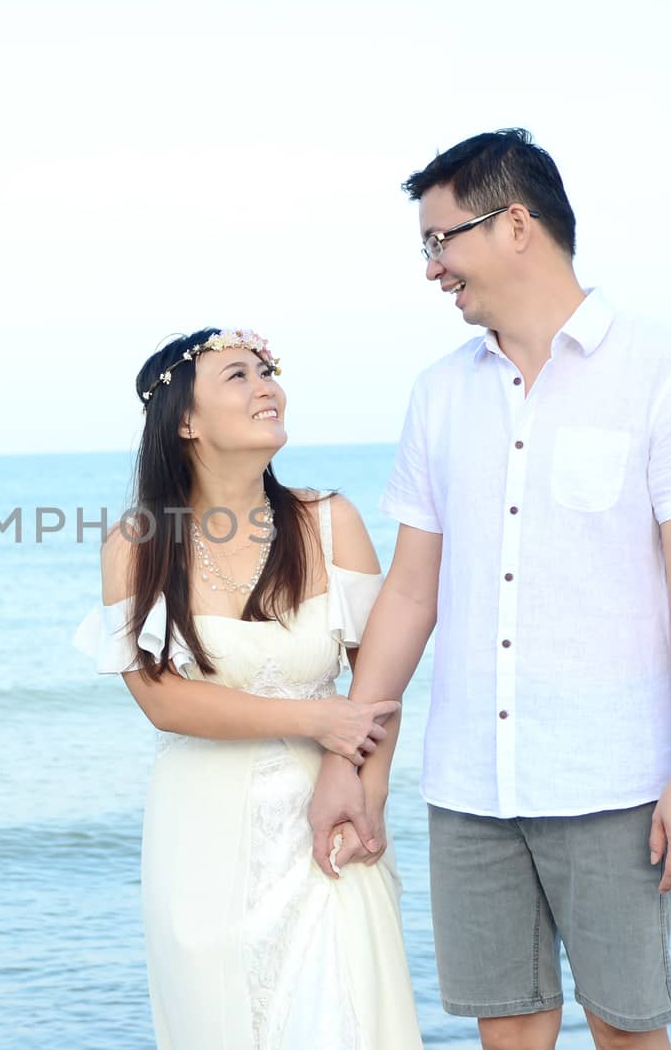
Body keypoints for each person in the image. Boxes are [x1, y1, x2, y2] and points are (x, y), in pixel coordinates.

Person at [308, 129, 671, 1050]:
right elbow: (409, 597)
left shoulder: (667, 370)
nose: (432, 269)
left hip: (616, 779)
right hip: (471, 783)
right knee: (506, 1027)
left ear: (516, 225)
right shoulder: (439, 394)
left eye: (442, 240)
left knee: (627, 1029)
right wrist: (348, 763)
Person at [72, 327, 424, 1049]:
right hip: (201, 834)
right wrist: (313, 717)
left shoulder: (330, 522)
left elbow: (378, 684)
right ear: (187, 421)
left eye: (268, 371)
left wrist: (366, 793)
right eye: (240, 375)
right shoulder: (135, 544)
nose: (268, 386)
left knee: (344, 1019)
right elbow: (162, 700)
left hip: (327, 818)